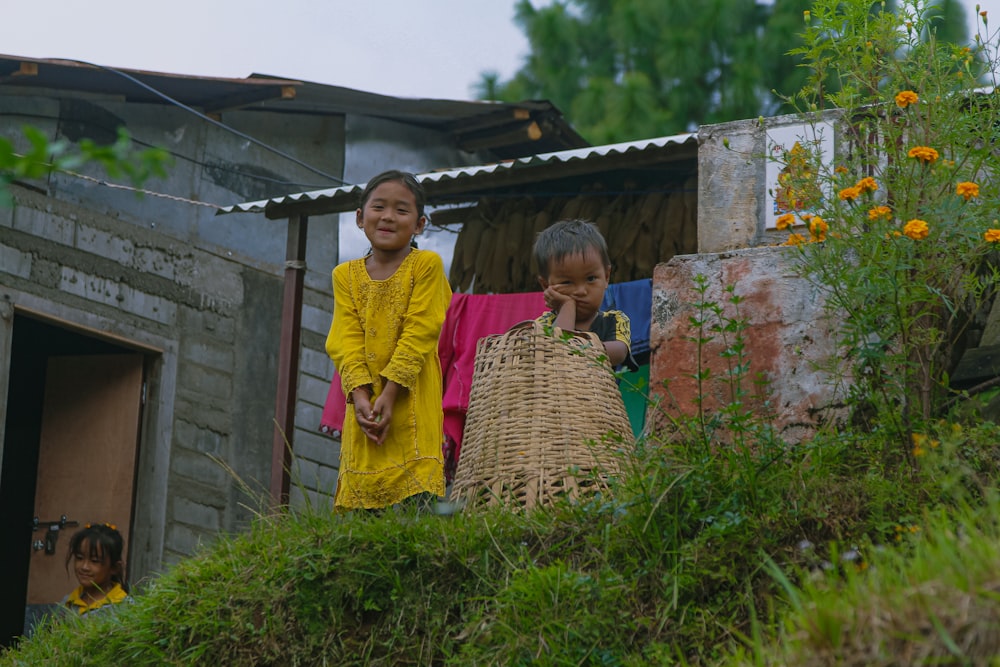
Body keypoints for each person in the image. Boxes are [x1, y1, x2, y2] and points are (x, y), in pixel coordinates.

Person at [326, 170, 452, 510]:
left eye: (401, 210)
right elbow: (343, 340)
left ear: (420, 224)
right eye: (379, 206)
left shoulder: (426, 265)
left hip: (411, 401)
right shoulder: (344, 275)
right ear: (359, 217)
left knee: (416, 507)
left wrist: (391, 391)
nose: (387, 217)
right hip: (364, 409)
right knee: (363, 519)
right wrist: (361, 395)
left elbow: (421, 330)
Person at [534, 219, 638, 372]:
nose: (581, 291)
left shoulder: (614, 320)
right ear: (546, 285)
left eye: (590, 279)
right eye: (567, 282)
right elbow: (552, 352)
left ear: (606, 277)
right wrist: (567, 306)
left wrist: (569, 349)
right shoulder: (543, 324)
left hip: (600, 395)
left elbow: (619, 353)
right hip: (554, 395)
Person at [61, 523, 132, 617]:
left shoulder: (124, 608)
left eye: (94, 561)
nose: (84, 567)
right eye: (79, 558)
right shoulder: (68, 603)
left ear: (114, 568)